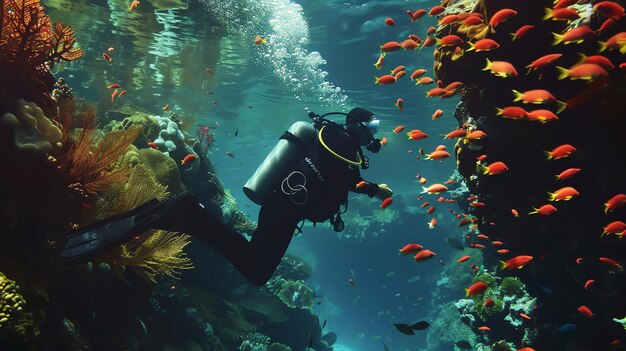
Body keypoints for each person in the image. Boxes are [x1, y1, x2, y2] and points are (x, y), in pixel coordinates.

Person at [62, 107, 392, 286]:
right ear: (359, 126)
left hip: (280, 206)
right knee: (257, 272)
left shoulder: (326, 136)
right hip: (285, 211)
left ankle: (186, 214)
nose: (374, 133)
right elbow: (350, 183)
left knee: (256, 267)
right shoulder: (347, 147)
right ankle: (186, 214)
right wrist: (378, 190)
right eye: (373, 126)